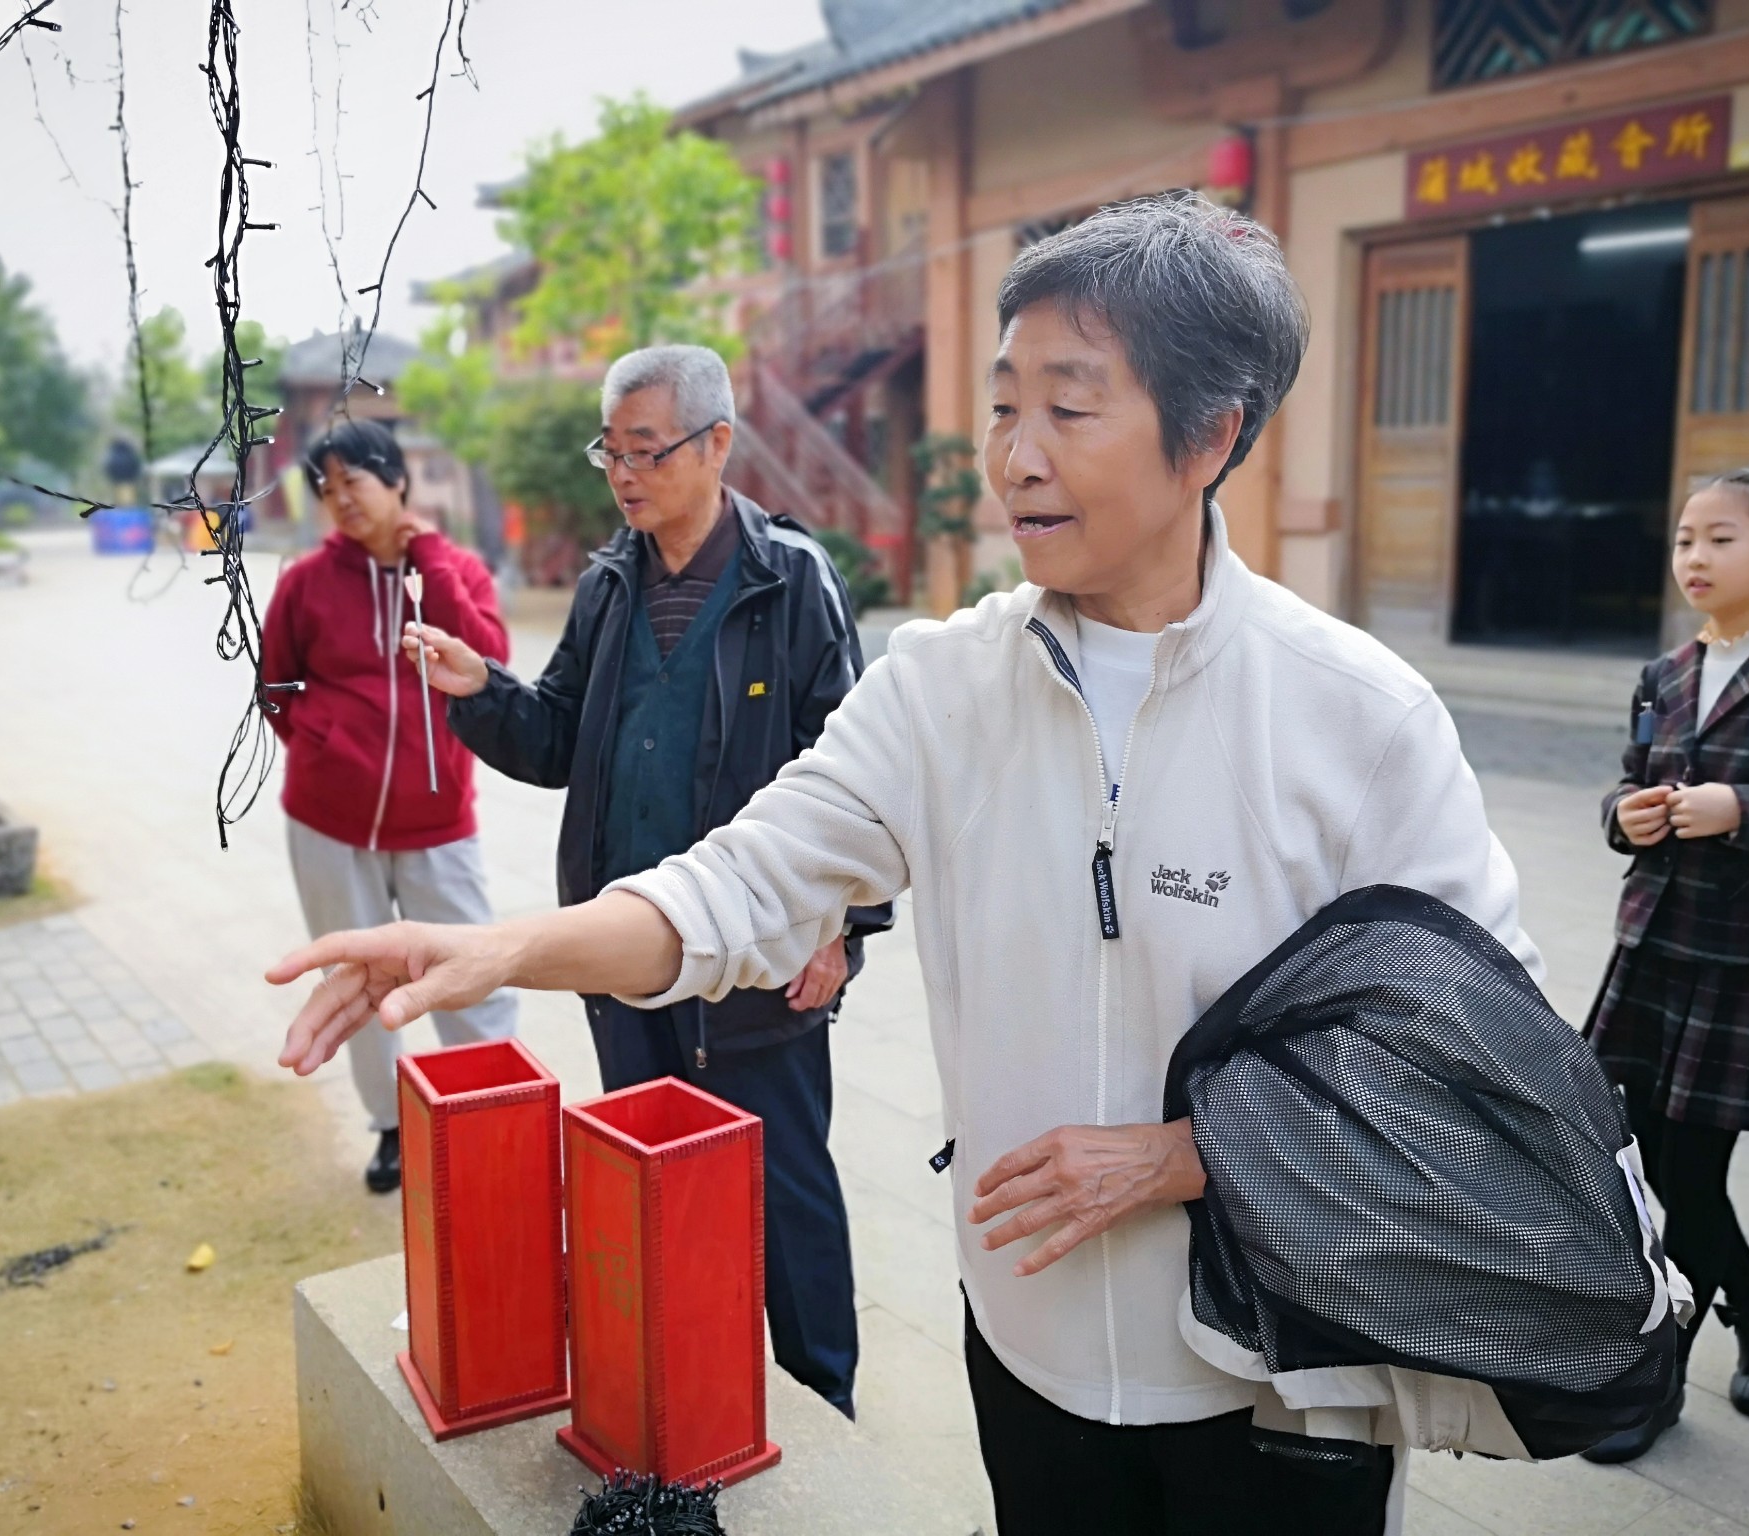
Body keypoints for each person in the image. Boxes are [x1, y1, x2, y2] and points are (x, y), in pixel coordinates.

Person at [271, 195, 1537, 1533]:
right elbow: (742, 883)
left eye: (1070, 407)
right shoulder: (945, 685)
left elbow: (1478, 1063)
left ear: (1211, 435)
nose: (1017, 458)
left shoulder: (1357, 715)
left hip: (1282, 1380)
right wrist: (504, 946)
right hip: (1028, 1347)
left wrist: (1186, 1155)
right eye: (1002, 408)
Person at [395, 344, 888, 1418]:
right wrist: (480, 690)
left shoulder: (788, 581)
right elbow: (561, 738)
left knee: (783, 1188)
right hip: (625, 948)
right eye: (609, 451)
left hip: (757, 946)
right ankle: (691, 1392)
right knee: (654, 1172)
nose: (622, 473)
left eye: (645, 450)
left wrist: (843, 926)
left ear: (716, 444)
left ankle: (822, 1403)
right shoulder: (610, 581)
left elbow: (856, 772)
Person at [1581, 466, 1749, 1464]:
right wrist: (1623, 816)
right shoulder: (1663, 675)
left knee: (1687, 1177)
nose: (1693, 557)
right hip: (1654, 953)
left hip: (1744, 966)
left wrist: (1745, 811)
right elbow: (1625, 786)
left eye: (1718, 539)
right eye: (1685, 538)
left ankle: (1655, 1384)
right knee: (1649, 1170)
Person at [261, 419, 518, 1194]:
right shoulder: (305, 582)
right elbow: (277, 686)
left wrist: (431, 559)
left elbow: (489, 661)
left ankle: (492, 1113)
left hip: (439, 822)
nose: (340, 499)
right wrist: (322, 740)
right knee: (359, 982)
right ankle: (393, 1129)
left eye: (355, 481)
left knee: (471, 973)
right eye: (325, 487)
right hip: (330, 823)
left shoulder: (458, 568)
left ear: (397, 482)